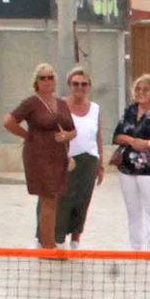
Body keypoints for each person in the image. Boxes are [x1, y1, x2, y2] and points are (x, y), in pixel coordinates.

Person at [4, 64, 74, 248]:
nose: (47, 81)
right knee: (48, 197)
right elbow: (9, 121)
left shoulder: (61, 103)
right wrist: (27, 135)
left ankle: (47, 241)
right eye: (42, 78)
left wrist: (67, 136)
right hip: (39, 156)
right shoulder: (31, 103)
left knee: (54, 197)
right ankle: (48, 245)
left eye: (50, 77)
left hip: (58, 156)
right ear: (36, 81)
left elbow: (72, 129)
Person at [113, 73, 150, 250]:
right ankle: (136, 247)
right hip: (127, 169)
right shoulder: (129, 111)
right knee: (133, 210)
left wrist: (146, 143)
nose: (141, 92)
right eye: (138, 89)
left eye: (145, 89)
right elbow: (117, 135)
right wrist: (132, 141)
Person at [56, 67, 103, 248]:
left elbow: (97, 136)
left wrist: (100, 165)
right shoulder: (60, 105)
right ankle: (59, 238)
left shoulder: (95, 109)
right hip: (67, 160)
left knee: (83, 200)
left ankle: (76, 239)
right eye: (75, 84)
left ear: (89, 86)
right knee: (63, 201)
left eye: (84, 84)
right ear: (69, 85)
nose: (79, 88)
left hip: (89, 159)